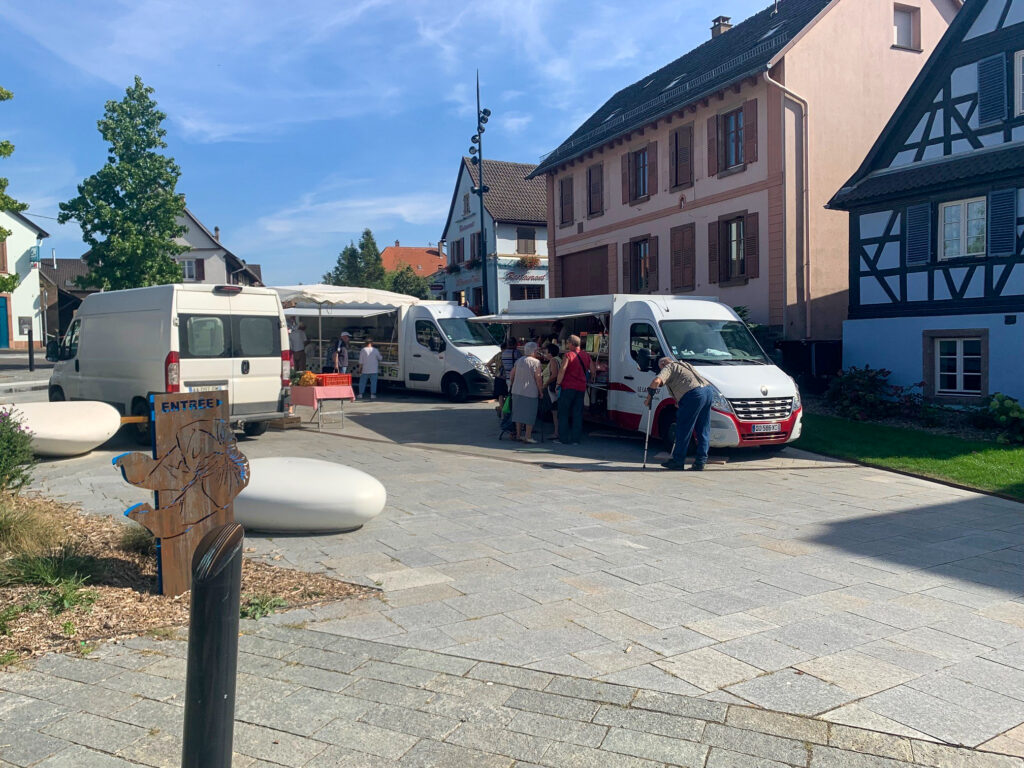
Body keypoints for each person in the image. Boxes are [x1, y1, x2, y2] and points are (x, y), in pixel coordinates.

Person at [645, 356, 714, 471]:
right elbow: (689, 381)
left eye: (660, 368)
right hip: (707, 392)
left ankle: (678, 461)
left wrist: (648, 399)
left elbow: (656, 381)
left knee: (683, 428)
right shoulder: (685, 365)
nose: (660, 370)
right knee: (703, 428)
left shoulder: (669, 367)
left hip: (693, 395)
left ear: (663, 364)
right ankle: (701, 461)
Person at [555, 334, 595, 445]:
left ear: (572, 344)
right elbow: (592, 369)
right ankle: (575, 439)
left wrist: (558, 384)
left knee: (563, 413)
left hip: (568, 387)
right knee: (577, 414)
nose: (567, 345)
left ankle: (563, 438)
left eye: (568, 343)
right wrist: (590, 379)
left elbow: (562, 370)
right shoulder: (586, 355)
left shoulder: (568, 355)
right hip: (581, 388)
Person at [509, 341, 544, 443]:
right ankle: (528, 436)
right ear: (534, 351)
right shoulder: (536, 362)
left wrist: (513, 384)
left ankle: (519, 435)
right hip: (530, 392)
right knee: (530, 414)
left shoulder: (519, 361)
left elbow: (512, 375)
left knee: (518, 413)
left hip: (516, 390)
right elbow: (538, 379)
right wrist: (541, 391)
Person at [542, 342, 561, 441]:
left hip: (551, 388)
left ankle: (556, 432)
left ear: (550, 353)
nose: (545, 354)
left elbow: (554, 375)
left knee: (554, 412)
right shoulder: (558, 360)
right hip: (556, 388)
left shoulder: (553, 360)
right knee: (556, 411)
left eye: (546, 352)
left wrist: (545, 384)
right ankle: (557, 431)